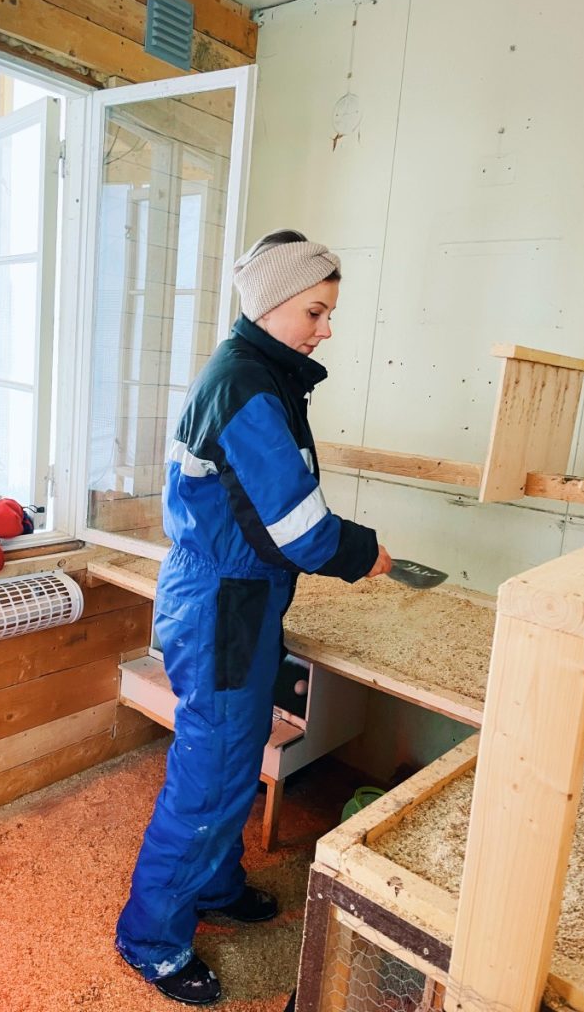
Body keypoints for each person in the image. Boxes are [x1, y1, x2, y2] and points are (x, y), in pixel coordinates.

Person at [115, 230, 392, 1004]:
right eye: (316, 310)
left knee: (234, 761)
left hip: (241, 595)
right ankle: (151, 939)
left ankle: (213, 884)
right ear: (271, 301)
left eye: (328, 313)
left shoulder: (260, 374)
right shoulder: (247, 385)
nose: (326, 328)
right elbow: (302, 530)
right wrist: (362, 552)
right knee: (209, 777)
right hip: (223, 604)